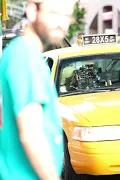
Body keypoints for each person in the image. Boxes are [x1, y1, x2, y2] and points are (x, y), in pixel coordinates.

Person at [0, 0, 76, 180]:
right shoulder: (26, 58)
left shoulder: (19, 52)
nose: (61, 23)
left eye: (67, 16)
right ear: (33, 11)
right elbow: (31, 135)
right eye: (54, 13)